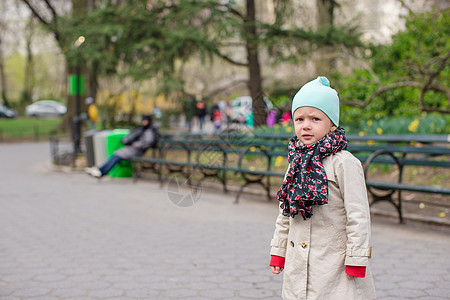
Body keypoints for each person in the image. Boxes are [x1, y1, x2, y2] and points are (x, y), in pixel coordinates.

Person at [269, 76, 376, 299]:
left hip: (333, 263)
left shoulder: (344, 162)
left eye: (315, 118)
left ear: (332, 124)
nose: (306, 125)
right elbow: (285, 212)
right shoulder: (295, 161)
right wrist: (278, 251)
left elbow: (358, 214)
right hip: (298, 261)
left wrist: (356, 259)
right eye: (299, 119)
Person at [85, 115, 157, 178]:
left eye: (145, 121)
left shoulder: (149, 131)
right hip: (132, 149)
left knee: (116, 156)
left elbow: (148, 142)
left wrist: (135, 145)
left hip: (136, 151)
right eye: (143, 121)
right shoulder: (142, 129)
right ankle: (100, 170)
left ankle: (101, 172)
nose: (144, 122)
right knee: (115, 156)